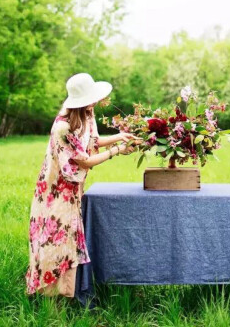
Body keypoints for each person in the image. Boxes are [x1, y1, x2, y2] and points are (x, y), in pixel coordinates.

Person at [25, 72, 141, 298]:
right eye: (92, 98)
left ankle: (67, 293)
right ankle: (51, 298)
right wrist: (118, 151)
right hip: (56, 188)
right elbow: (83, 159)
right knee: (55, 237)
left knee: (68, 237)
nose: (96, 102)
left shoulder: (87, 115)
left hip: (73, 189)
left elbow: (92, 142)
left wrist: (120, 136)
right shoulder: (63, 127)